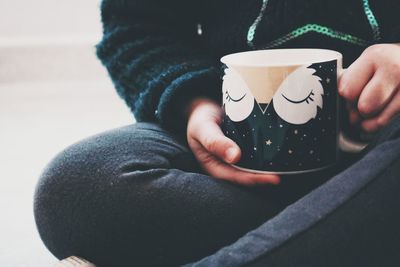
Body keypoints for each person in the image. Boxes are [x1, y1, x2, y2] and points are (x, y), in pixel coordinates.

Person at [34, 0, 400, 266]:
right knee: (79, 186)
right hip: (244, 157)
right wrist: (192, 103)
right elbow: (135, 27)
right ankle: (345, 231)